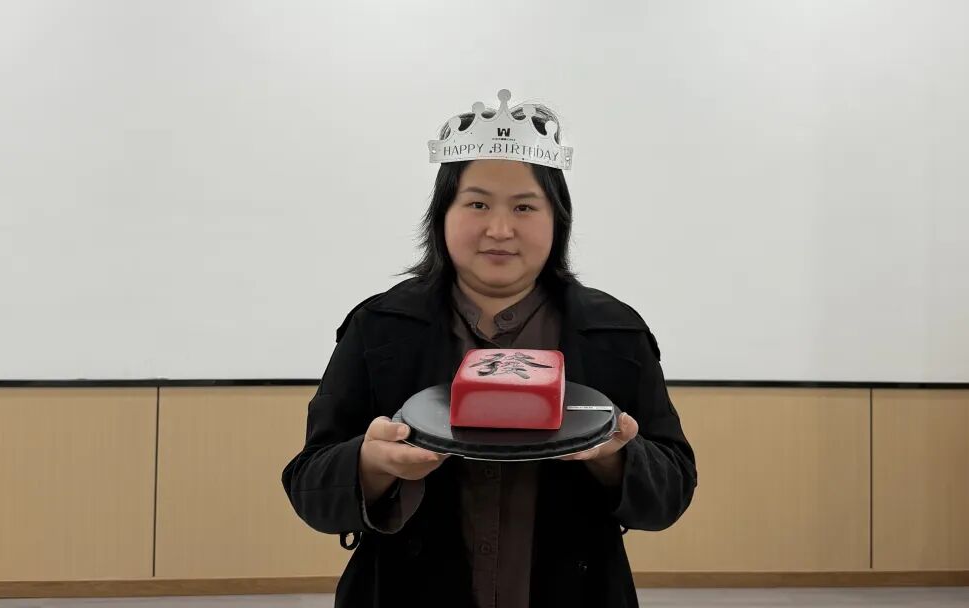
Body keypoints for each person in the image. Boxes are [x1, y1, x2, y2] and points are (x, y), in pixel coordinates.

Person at [282, 89, 697, 608]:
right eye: (477, 204)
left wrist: (618, 458)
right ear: (442, 214)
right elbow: (309, 484)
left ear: (557, 219)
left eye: (524, 207)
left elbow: (672, 490)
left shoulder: (615, 333)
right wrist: (370, 465)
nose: (500, 229)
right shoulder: (379, 328)